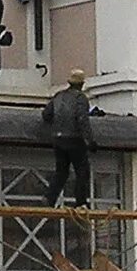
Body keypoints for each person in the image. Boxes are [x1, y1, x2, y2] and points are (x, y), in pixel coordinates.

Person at [43, 69, 94, 206]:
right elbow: (82, 120)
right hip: (74, 139)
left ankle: (49, 199)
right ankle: (81, 202)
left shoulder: (58, 96)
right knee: (82, 172)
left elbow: (46, 115)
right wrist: (89, 141)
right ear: (82, 84)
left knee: (61, 172)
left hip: (58, 140)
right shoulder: (80, 98)